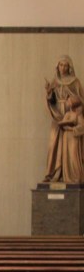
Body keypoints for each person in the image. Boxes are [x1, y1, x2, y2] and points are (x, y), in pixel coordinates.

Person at [43, 55, 84, 183]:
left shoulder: (75, 82)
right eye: (61, 65)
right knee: (53, 144)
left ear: (69, 67)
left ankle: (67, 175)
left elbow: (82, 100)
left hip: (71, 117)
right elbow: (52, 101)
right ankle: (53, 174)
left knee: (69, 147)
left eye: (66, 65)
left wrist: (74, 106)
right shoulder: (55, 82)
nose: (63, 68)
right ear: (57, 66)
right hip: (57, 116)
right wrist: (49, 94)